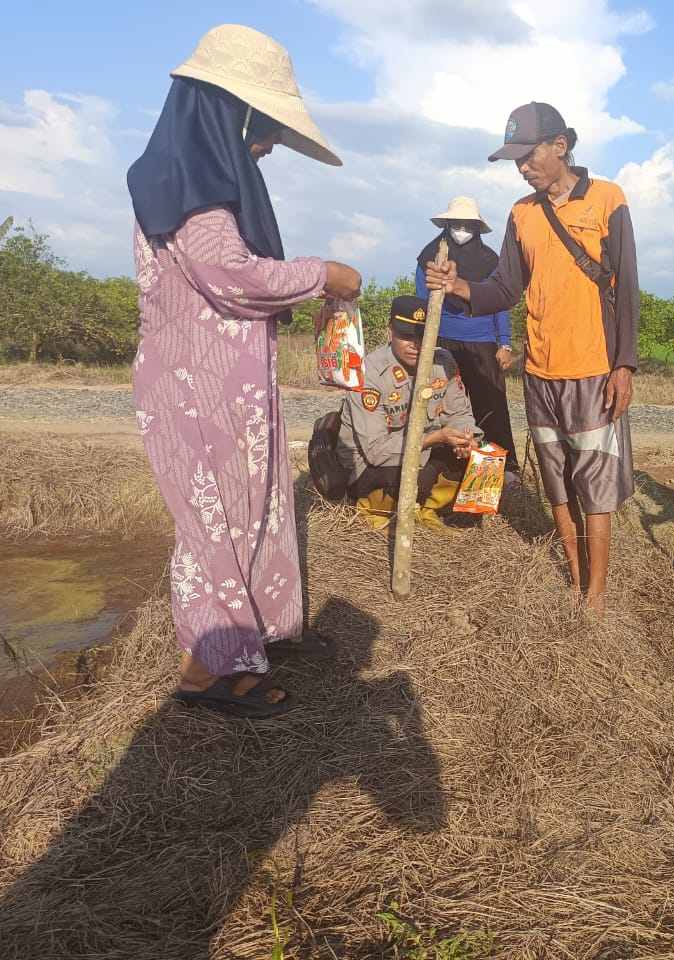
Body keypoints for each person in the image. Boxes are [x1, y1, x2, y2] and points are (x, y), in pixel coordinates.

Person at [127, 24, 362, 718]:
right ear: (234, 112)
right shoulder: (192, 184)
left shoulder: (191, 176)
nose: (267, 146)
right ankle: (209, 673)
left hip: (224, 387)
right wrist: (326, 275)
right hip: (195, 392)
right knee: (213, 522)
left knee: (244, 509)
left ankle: (246, 640)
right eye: (266, 130)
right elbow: (229, 274)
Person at [424, 102, 640, 615]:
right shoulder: (522, 213)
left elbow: (627, 287)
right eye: (515, 160)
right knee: (556, 477)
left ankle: (596, 594)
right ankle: (573, 574)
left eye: (529, 155)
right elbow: (504, 288)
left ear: (560, 147)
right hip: (539, 372)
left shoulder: (607, 199)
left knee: (596, 481)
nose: (523, 167)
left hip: (593, 368)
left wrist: (625, 364)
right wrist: (457, 286)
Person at [336, 295, 482, 532]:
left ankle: (428, 509)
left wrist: (466, 438)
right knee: (410, 477)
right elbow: (375, 452)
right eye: (406, 335)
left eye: (423, 336)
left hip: (424, 450)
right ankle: (377, 509)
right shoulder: (368, 373)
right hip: (373, 464)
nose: (415, 344)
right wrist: (437, 439)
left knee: (483, 460)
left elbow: (461, 413)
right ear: (389, 332)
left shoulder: (443, 361)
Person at [415, 197, 520, 482]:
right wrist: (422, 340)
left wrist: (504, 342)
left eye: (467, 225)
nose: (461, 230)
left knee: (490, 404)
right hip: (442, 341)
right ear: (446, 226)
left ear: (477, 227)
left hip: (482, 341)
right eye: (456, 224)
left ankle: (501, 467)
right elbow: (422, 302)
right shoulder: (429, 256)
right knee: (443, 405)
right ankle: (449, 466)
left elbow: (499, 302)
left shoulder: (491, 261)